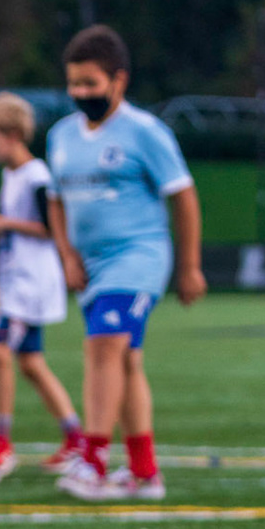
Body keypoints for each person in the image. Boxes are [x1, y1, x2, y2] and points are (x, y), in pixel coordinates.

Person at [46, 25, 204, 501]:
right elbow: (55, 200)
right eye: (74, 83)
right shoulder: (60, 135)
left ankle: (93, 462)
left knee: (104, 347)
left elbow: (184, 196)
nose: (80, 93)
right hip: (90, 268)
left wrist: (190, 265)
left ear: (119, 80)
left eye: (90, 84)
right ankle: (144, 471)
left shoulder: (146, 132)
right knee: (125, 360)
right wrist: (67, 255)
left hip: (139, 257)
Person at [0, 92, 82, 480]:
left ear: (14, 134)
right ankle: (75, 437)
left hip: (32, 283)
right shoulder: (12, 175)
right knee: (30, 364)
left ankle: (1, 442)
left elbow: (53, 229)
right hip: (18, 281)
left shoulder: (37, 175)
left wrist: (4, 223)